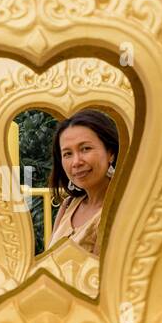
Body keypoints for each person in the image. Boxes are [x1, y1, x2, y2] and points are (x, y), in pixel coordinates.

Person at [46, 108, 119, 259]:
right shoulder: (68, 205)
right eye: (67, 154)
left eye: (85, 149)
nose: (76, 162)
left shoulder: (120, 210)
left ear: (110, 153)